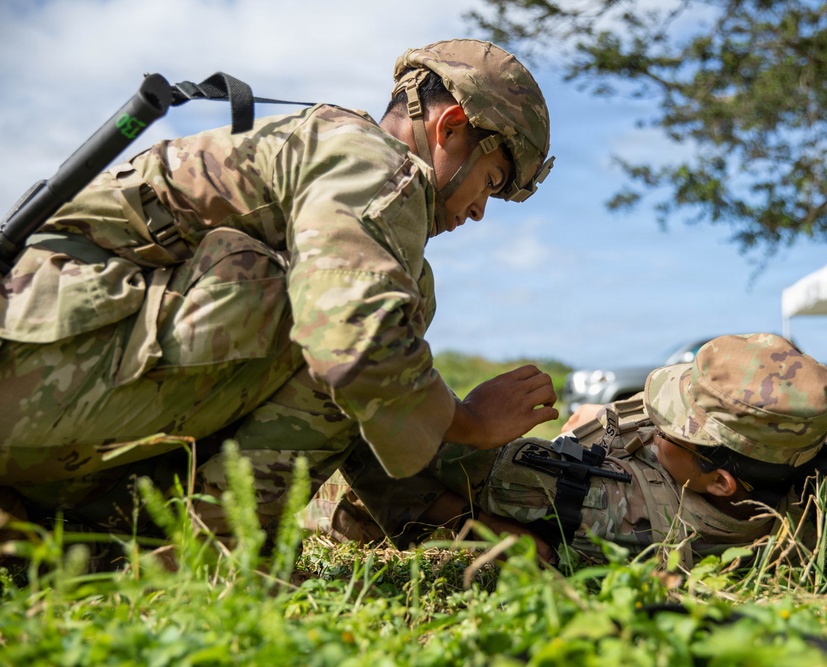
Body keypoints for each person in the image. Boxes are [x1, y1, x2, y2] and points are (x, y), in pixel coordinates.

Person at [0, 39, 559, 551]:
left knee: (378, 316)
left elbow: (359, 413)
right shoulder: (376, 165)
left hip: (62, 382)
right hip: (37, 369)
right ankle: (204, 557)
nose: (481, 210)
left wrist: (462, 524)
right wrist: (468, 421)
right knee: (340, 322)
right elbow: (351, 346)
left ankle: (85, 533)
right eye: (490, 181)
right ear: (451, 127)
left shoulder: (356, 186)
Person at [334, 334, 827, 567]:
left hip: (352, 500)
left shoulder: (599, 499)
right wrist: (609, 425)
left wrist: (473, 424)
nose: (654, 421)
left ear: (720, 481)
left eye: (668, 426)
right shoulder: (804, 474)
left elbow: (370, 440)